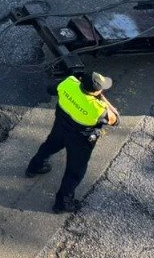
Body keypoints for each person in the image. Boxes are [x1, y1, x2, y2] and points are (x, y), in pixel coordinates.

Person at [26, 72, 120, 213]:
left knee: (49, 146)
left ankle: (34, 167)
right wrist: (102, 99)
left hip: (61, 128)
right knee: (74, 171)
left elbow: (51, 89)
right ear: (96, 91)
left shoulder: (69, 83)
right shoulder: (99, 109)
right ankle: (63, 202)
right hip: (80, 141)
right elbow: (116, 120)